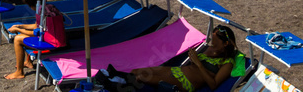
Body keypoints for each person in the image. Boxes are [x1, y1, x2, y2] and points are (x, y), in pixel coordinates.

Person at [97, 25, 239, 92]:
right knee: (137, 71)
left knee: (142, 78)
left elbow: (213, 85)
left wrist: (198, 63)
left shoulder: (227, 63)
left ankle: (115, 84)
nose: (212, 44)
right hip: (177, 71)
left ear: (225, 43)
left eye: (215, 41)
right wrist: (192, 56)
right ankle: (115, 77)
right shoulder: (209, 50)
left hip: (185, 84)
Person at [3, 0, 66, 80]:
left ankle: (19, 72)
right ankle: (28, 61)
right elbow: (37, 26)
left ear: (32, 5)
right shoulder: (48, 8)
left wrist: (19, 29)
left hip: (52, 43)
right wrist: (20, 26)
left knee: (18, 39)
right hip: (56, 38)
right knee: (22, 36)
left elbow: (36, 33)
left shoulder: (43, 12)